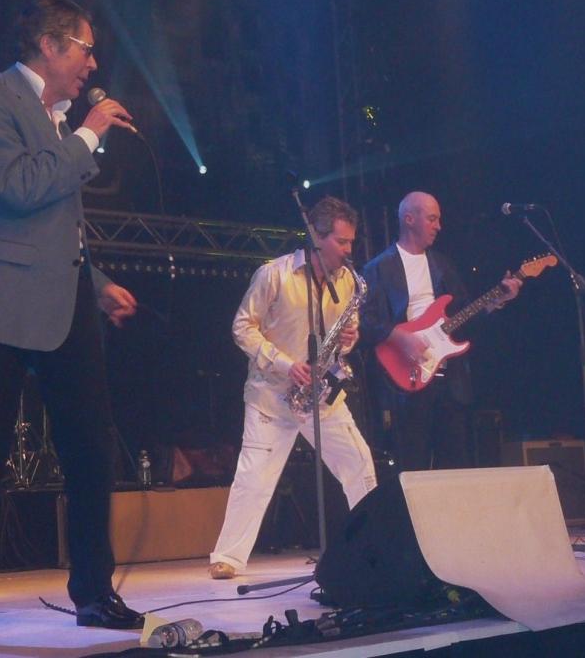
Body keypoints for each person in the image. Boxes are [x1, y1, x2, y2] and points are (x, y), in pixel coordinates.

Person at [0, 0, 141, 653]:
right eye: (86, 49)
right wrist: (88, 135)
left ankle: (93, 591)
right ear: (50, 45)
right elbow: (15, 188)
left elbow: (57, 228)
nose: (92, 65)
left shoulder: (60, 119)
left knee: (91, 445)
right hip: (3, 298)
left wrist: (97, 284)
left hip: (65, 300)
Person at [207, 196, 377, 580]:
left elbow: (346, 336)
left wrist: (349, 339)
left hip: (321, 396)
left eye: (351, 242)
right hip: (272, 394)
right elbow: (242, 327)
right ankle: (228, 557)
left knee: (359, 462)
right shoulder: (274, 275)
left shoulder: (348, 281)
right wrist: (286, 364)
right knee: (254, 477)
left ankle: (371, 542)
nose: (349, 250)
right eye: (341, 242)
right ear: (316, 237)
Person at [358, 191, 521, 471]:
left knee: (454, 466)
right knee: (413, 468)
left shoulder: (443, 265)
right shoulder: (379, 268)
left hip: (449, 380)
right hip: (406, 382)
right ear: (409, 219)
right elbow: (362, 320)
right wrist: (399, 337)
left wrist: (496, 301)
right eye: (432, 219)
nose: (438, 226)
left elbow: (464, 315)